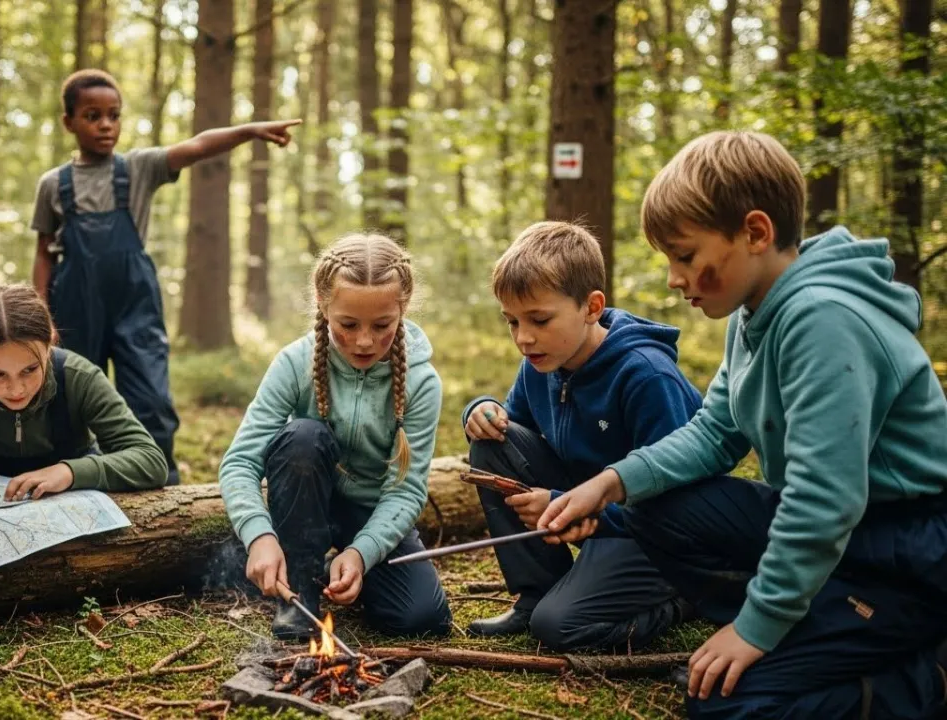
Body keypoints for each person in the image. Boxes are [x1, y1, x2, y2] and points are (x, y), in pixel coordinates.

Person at [539, 131, 947, 718]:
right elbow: (715, 433)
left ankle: (917, 681)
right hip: (836, 536)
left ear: (755, 233)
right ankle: (814, 624)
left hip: (899, 554)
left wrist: (756, 628)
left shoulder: (823, 321)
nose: (676, 279)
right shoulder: (755, 313)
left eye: (686, 256)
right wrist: (609, 483)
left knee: (720, 704)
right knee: (651, 506)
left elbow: (825, 499)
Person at [31, 68, 300, 486]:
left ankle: (161, 483)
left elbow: (196, 146)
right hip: (74, 304)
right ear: (69, 122)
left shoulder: (139, 168)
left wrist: (250, 130)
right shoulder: (53, 185)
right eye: (93, 115)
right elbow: (43, 255)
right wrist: (40, 316)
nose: (106, 124)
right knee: (71, 396)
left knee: (152, 398)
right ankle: (76, 481)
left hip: (134, 300)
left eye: (114, 115)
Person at [461, 220, 697, 651]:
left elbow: (677, 505)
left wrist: (567, 508)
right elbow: (513, 432)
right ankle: (537, 592)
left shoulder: (645, 376)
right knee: (490, 442)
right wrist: (480, 412)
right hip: (589, 513)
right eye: (511, 321)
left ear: (591, 307)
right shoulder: (542, 360)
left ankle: (686, 596)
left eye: (539, 319)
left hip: (654, 535)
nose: (523, 337)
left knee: (559, 627)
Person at [219, 233, 452, 640]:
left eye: (382, 325)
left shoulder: (422, 382)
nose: (365, 340)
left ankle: (337, 568)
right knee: (302, 437)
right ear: (324, 306)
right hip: (306, 503)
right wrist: (258, 534)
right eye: (348, 324)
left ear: (403, 309)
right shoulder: (295, 362)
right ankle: (300, 590)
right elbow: (240, 461)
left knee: (422, 618)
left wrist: (361, 554)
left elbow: (406, 491)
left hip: (372, 511)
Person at [0, 284, 167, 500]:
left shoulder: (79, 378)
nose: (16, 389)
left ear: (49, 344)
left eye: (29, 370)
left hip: (78, 515)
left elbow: (150, 460)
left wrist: (69, 472)